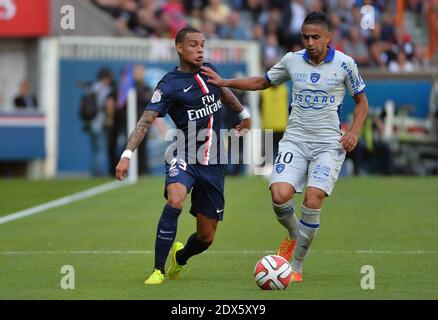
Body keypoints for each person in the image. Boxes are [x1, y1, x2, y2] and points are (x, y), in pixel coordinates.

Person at [202, 11, 369, 282]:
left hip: (328, 144)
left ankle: (297, 266)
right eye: (306, 37)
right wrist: (225, 82)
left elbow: (362, 102)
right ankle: (295, 233)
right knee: (279, 195)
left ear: (328, 37)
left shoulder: (345, 64)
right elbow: (262, 82)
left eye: (316, 37)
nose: (310, 42)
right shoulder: (292, 61)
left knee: (313, 198)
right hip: (295, 139)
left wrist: (354, 132)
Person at [115, 27, 251, 285]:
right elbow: (145, 121)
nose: (200, 49)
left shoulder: (209, 71)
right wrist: (126, 154)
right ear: (179, 48)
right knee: (175, 199)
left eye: (202, 44)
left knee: (206, 237)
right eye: (193, 44)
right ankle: (158, 270)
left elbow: (224, 92)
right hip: (184, 153)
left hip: (214, 162)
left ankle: (181, 257)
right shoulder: (168, 85)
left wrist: (244, 116)